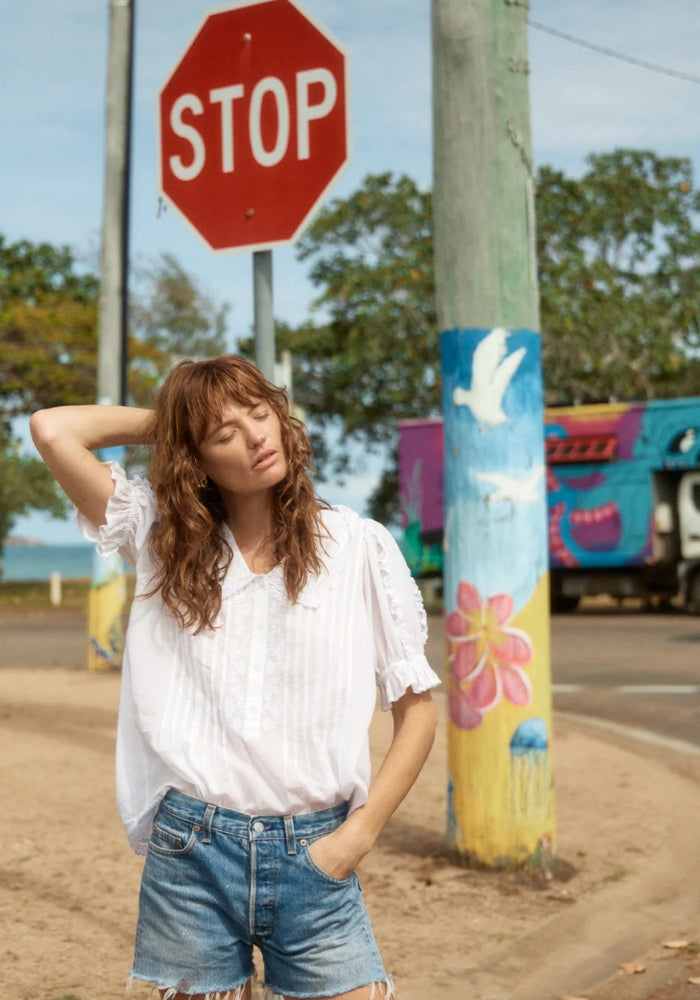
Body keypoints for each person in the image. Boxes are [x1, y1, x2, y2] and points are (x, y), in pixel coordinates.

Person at [30, 355, 440, 1000]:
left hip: (318, 852)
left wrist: (354, 840)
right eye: (224, 434)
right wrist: (178, 421)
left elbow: (417, 710)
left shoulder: (357, 545)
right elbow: (54, 430)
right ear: (193, 457)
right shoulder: (161, 536)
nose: (255, 436)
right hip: (191, 850)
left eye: (260, 412)